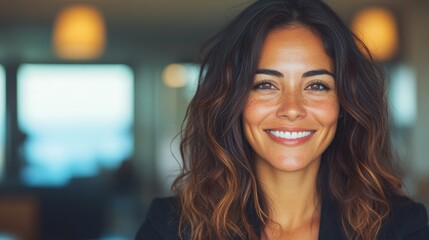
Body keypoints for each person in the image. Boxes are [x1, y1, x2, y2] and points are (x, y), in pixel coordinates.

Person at [136, 0, 429, 239]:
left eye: (316, 86)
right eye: (266, 84)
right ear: (233, 101)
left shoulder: (401, 227)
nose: (291, 108)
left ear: (344, 104)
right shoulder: (170, 228)